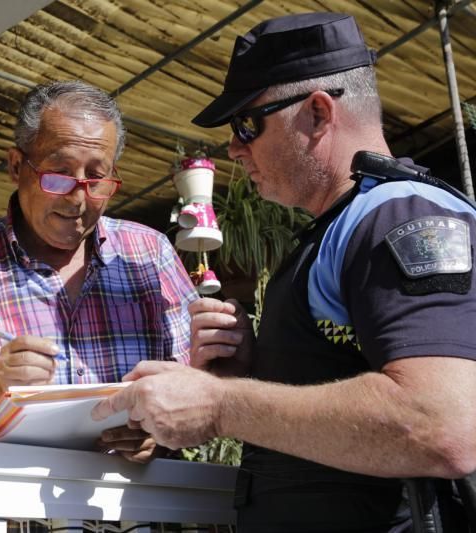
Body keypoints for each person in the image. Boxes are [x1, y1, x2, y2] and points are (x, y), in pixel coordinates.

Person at [92, 12, 476, 532]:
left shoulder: (400, 217)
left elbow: (442, 424)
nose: (234, 148)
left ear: (318, 113)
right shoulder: (343, 225)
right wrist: (259, 367)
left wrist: (219, 404)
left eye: (247, 125)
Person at [0, 80, 198, 462]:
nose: (78, 198)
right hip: (5, 516)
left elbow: (197, 396)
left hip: (130, 517)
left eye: (96, 178)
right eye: (58, 173)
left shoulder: (150, 255)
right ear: (16, 166)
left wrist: (155, 435)